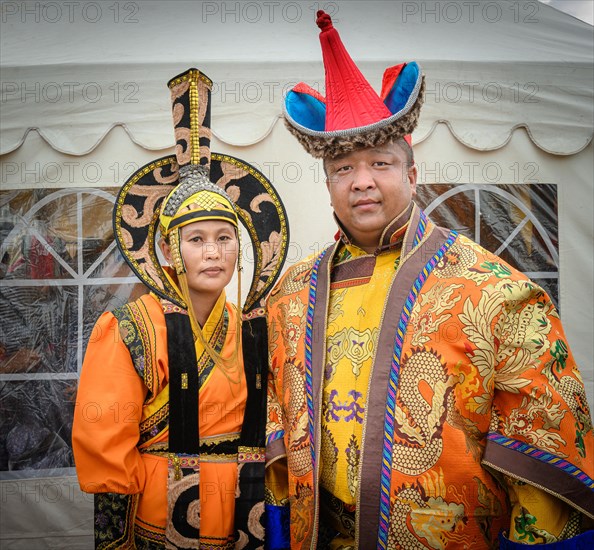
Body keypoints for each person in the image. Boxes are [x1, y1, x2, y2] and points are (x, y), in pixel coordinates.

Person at [264, 11, 594, 549]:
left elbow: (544, 445)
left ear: (412, 174)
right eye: (343, 168)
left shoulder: (493, 290)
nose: (362, 181)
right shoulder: (292, 294)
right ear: (327, 185)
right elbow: (280, 425)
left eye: (380, 162)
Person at [73, 68, 289, 549]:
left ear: (241, 246)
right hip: (161, 506)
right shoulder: (130, 328)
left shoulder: (256, 327)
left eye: (224, 238)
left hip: (244, 504)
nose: (212, 252)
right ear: (169, 251)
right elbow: (106, 448)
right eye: (196, 240)